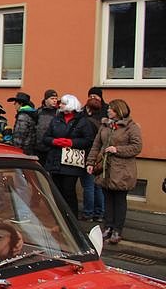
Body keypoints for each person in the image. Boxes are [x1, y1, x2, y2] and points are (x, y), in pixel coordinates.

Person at [87, 99, 143, 244]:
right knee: (108, 199)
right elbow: (96, 144)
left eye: (111, 109)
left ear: (118, 110)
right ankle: (108, 227)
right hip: (105, 169)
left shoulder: (131, 127)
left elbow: (137, 147)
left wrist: (117, 149)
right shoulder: (105, 125)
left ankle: (117, 229)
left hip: (122, 170)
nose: (108, 110)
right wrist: (90, 162)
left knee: (119, 200)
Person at [42, 94, 95, 216]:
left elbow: (88, 140)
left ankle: (71, 217)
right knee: (57, 191)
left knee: (69, 190)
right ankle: (60, 217)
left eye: (63, 103)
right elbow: (46, 137)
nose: (60, 105)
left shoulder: (82, 122)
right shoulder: (56, 119)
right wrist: (54, 141)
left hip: (71, 162)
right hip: (56, 160)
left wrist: (72, 142)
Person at [80, 96, 105, 221]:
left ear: (88, 109)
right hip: (99, 157)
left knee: (88, 185)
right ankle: (99, 213)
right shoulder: (102, 122)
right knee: (97, 186)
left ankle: (88, 213)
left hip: (89, 156)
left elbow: (88, 141)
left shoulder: (87, 122)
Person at [35, 89, 59, 164]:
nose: (55, 101)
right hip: (38, 148)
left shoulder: (58, 113)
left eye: (56, 99)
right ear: (46, 99)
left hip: (52, 148)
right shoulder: (38, 112)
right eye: (52, 99)